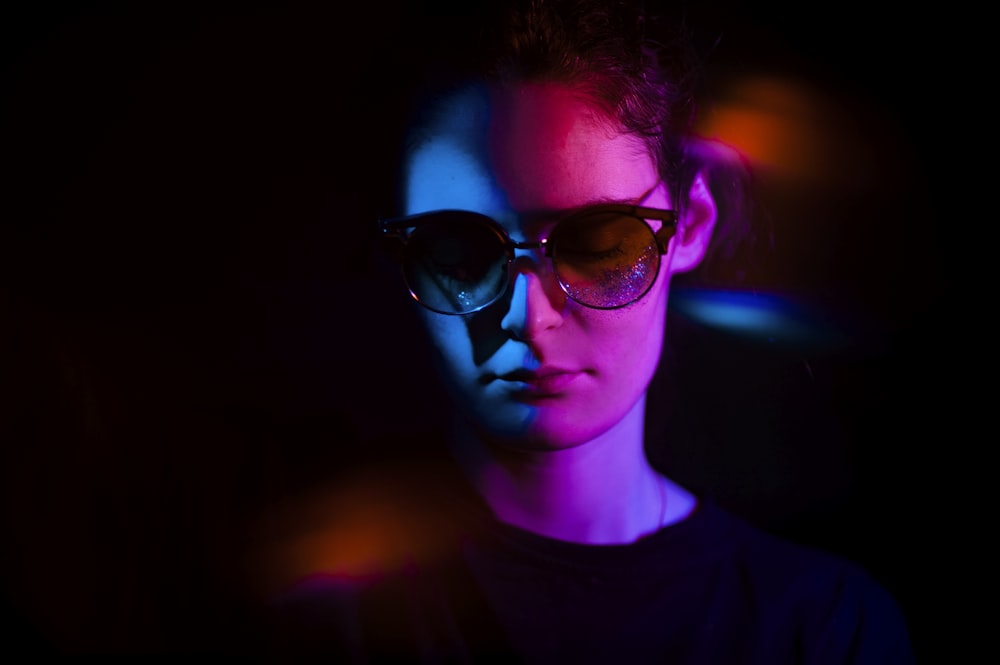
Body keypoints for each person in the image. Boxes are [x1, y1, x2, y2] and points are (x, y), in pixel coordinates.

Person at [252, 0, 915, 661]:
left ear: (692, 224)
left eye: (598, 244)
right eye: (458, 252)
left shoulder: (823, 629)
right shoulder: (306, 607)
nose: (527, 316)